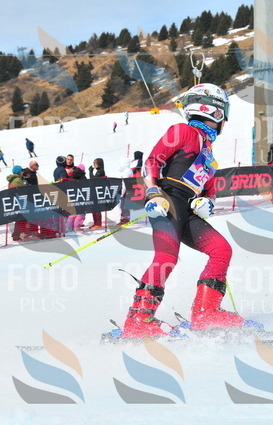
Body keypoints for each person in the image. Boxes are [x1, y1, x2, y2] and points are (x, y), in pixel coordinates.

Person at [119, 83, 261, 339]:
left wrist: (207, 202)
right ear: (214, 111)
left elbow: (208, 190)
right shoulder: (183, 131)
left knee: (221, 250)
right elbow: (152, 162)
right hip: (168, 203)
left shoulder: (208, 152)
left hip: (187, 210)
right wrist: (153, 193)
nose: (225, 120)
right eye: (224, 112)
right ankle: (138, 319)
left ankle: (206, 313)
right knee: (166, 257)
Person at [88, 158, 106, 229]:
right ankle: (96, 222)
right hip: (96, 190)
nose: (94, 165)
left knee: (96, 207)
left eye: (95, 163)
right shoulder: (99, 170)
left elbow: (93, 179)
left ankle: (98, 223)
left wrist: (90, 171)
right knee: (94, 207)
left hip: (98, 191)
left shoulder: (101, 170)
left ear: (99, 164)